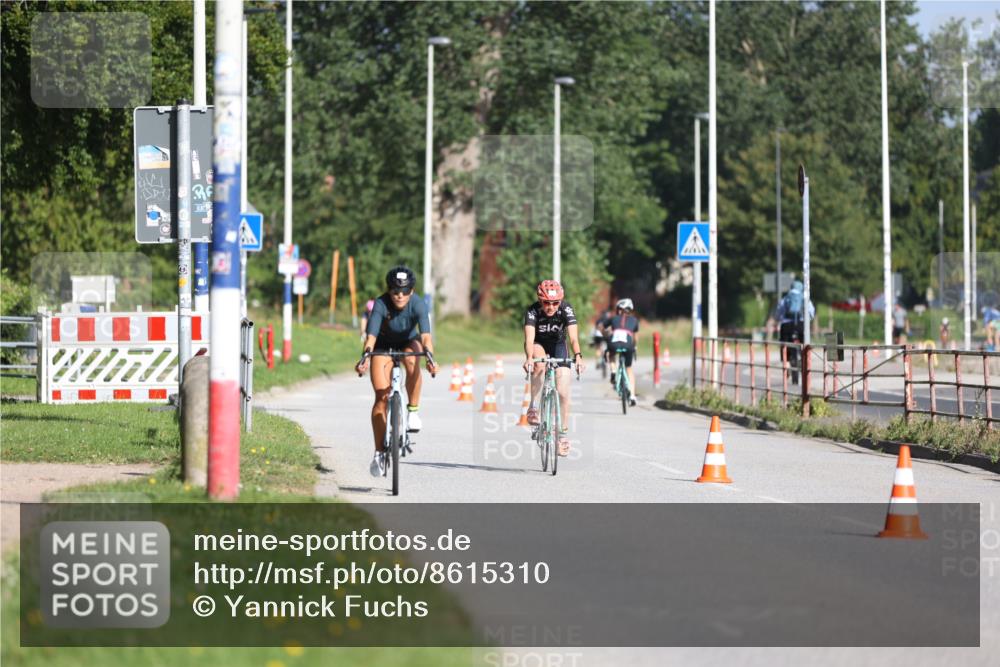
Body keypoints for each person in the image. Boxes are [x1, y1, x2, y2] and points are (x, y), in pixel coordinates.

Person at [355, 266, 438, 477]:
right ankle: (379, 453)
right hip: (383, 345)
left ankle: (412, 411)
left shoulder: (418, 303)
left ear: (411, 291)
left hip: (409, 342)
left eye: (405, 291)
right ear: (389, 290)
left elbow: (426, 336)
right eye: (395, 291)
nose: (399, 296)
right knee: (381, 398)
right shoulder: (381, 303)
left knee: (412, 358)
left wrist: (429, 356)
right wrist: (365, 356)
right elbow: (371, 336)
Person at [522, 280, 585, 457]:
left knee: (564, 392)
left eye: (555, 302)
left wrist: (578, 356)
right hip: (538, 344)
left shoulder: (566, 309)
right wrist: (529, 359)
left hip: (558, 344)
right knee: (539, 365)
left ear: (560, 301)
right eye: (546, 303)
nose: (551, 307)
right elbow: (529, 339)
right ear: (540, 300)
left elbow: (573, 338)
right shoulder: (533, 311)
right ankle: (533, 406)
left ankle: (563, 435)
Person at [775, 280, 815, 384]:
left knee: (784, 345)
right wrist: (808, 320)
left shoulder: (785, 298)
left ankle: (786, 364)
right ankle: (804, 360)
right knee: (805, 344)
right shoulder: (804, 298)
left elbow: (779, 313)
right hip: (801, 325)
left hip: (787, 325)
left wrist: (779, 319)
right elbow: (811, 312)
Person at [603, 298, 640, 406]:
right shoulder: (634, 320)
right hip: (628, 344)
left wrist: (606, 336)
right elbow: (635, 338)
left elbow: (601, 327)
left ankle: (613, 371)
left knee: (611, 353)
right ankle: (633, 396)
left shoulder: (613, 318)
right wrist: (635, 347)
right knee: (629, 368)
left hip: (614, 343)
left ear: (619, 310)